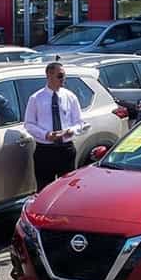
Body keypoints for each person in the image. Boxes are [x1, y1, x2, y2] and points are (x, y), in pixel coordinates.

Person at [24, 62, 88, 191]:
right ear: (49, 75)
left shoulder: (70, 97)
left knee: (66, 189)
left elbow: (80, 122)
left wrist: (72, 130)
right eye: (60, 76)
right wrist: (46, 135)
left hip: (66, 150)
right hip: (45, 151)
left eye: (64, 76)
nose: (63, 79)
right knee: (44, 189)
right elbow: (29, 124)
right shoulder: (36, 98)